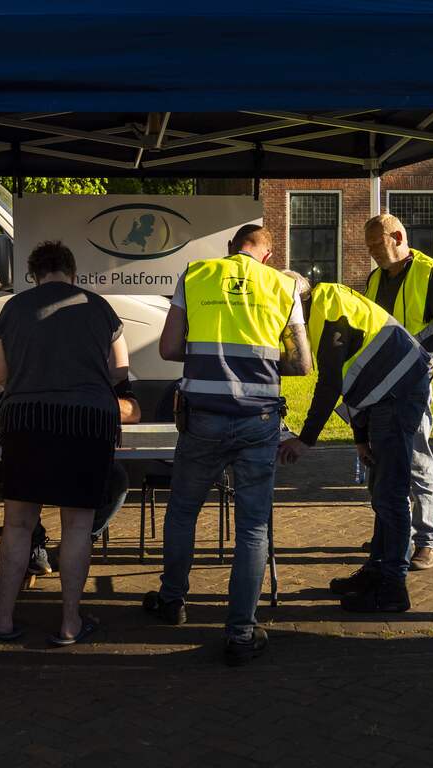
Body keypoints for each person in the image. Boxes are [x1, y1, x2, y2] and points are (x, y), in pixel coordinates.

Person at [145, 224, 312, 666]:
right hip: (258, 419)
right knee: (253, 527)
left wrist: (209, 355)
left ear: (230, 249)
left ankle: (172, 600)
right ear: (268, 256)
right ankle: (240, 631)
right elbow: (302, 362)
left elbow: (167, 348)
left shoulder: (196, 274)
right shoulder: (282, 284)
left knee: (183, 511)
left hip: (202, 418)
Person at [0, 240, 128, 645]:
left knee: (18, 524)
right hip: (88, 421)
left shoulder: (12, 309)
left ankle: (5, 620)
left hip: (27, 420)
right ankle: (69, 623)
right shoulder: (100, 308)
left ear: (34, 274)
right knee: (78, 526)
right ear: (72, 271)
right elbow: (120, 368)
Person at [278, 278, 432, 613]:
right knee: (381, 490)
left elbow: (331, 382)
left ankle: (393, 587)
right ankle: (378, 571)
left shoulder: (329, 310)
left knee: (390, 493)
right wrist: (361, 439)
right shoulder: (325, 308)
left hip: (397, 392)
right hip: (387, 392)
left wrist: (305, 440)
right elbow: (356, 376)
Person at [363, 214, 433, 570]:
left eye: (377, 243)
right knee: (382, 458)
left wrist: (427, 361)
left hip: (414, 382)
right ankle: (394, 533)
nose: (372, 251)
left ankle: (427, 539)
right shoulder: (375, 278)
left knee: (416, 457)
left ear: (398, 236)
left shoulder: (430, 273)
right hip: (380, 381)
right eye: (369, 245)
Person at [28, 378, 142, 576]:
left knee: (117, 480)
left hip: (85, 447)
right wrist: (97, 405)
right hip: (41, 445)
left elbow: (133, 411)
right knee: (24, 478)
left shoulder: (108, 365)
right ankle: (33, 543)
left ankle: (82, 541)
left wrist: (87, 402)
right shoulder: (40, 358)